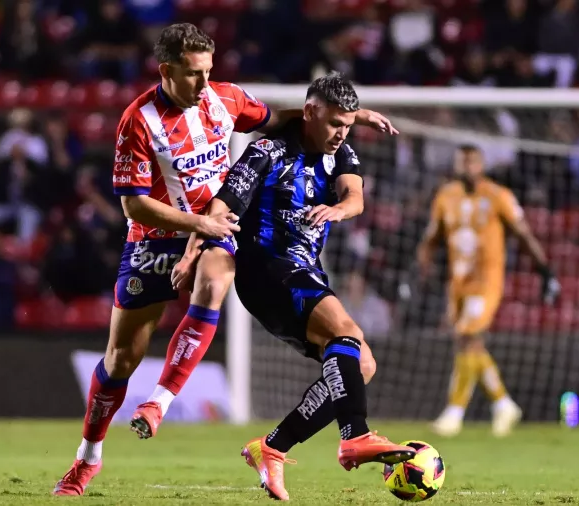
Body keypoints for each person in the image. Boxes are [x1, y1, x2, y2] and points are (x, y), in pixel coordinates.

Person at [52, 23, 398, 496]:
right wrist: (195, 229)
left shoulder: (225, 99)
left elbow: (283, 119)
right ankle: (87, 458)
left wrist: (350, 119)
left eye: (209, 71)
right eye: (194, 74)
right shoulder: (139, 121)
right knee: (119, 361)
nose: (203, 83)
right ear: (167, 69)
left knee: (216, 282)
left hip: (222, 225)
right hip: (159, 234)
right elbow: (133, 206)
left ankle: (161, 402)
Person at [162, 73, 416, 501]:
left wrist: (338, 210)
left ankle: (273, 447)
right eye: (336, 123)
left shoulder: (343, 152)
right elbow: (220, 205)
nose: (342, 133)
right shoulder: (267, 150)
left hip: (305, 272)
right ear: (311, 112)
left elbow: (355, 197)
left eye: (349, 124)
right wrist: (190, 254)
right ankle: (355, 436)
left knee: (360, 365)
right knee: (347, 333)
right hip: (265, 268)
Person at [415, 144, 560, 438]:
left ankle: (454, 413)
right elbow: (431, 237)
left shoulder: (498, 195)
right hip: (457, 282)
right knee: (467, 344)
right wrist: (417, 272)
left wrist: (545, 272)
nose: (468, 167)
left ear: (481, 165)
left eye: (473, 161)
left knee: (469, 336)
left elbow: (523, 234)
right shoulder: (446, 197)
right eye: (463, 161)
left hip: (487, 280)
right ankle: (503, 403)